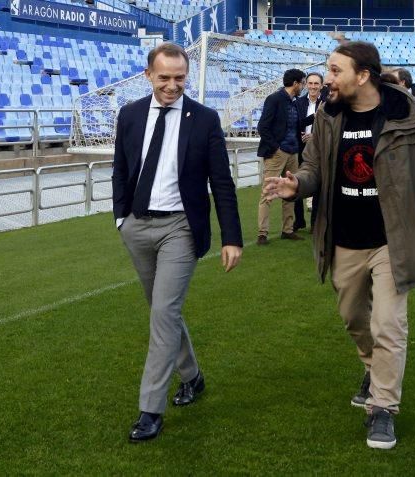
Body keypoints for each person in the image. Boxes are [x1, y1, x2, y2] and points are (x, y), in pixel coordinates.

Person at [262, 41, 415, 450]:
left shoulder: (410, 113)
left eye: (336, 70)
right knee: (354, 319)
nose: (328, 78)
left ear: (363, 75)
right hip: (343, 238)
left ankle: (383, 409)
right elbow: (312, 169)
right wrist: (296, 186)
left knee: (388, 325)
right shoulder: (327, 115)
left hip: (392, 238)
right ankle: (375, 368)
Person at [112, 42, 244, 443]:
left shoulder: (204, 119)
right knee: (162, 312)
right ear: (149, 75)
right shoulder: (130, 114)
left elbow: (221, 181)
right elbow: (121, 167)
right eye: (165, 77)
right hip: (137, 226)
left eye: (180, 78)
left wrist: (232, 238)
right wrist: (121, 218)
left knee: (163, 314)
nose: (172, 86)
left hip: (181, 229)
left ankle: (150, 408)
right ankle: (193, 376)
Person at [256, 68, 306, 245]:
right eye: (302, 83)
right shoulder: (274, 99)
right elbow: (263, 126)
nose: (304, 86)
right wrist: (276, 148)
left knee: (291, 191)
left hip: (293, 153)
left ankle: (288, 229)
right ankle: (262, 233)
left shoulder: (295, 102)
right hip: (278, 153)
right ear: (295, 84)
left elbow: (295, 125)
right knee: (268, 192)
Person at [294, 72, 325, 232]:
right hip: (299, 147)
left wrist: (314, 135)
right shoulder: (298, 103)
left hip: (318, 150)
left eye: (316, 83)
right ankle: (299, 221)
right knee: (296, 182)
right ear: (306, 84)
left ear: (321, 85)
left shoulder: (327, 103)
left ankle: (315, 223)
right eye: (310, 83)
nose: (313, 86)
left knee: (318, 185)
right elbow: (294, 123)